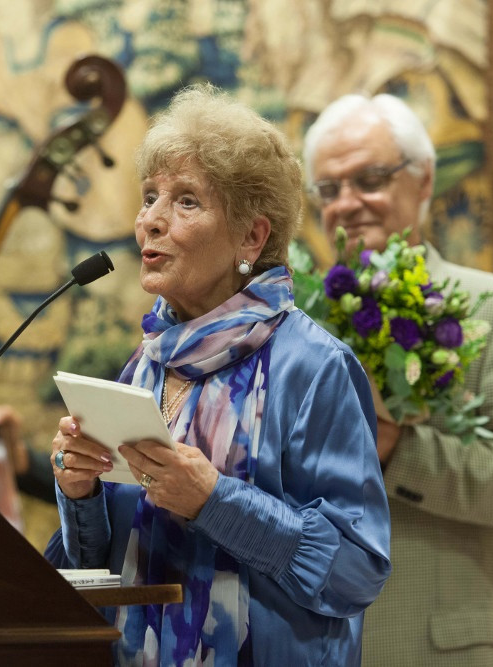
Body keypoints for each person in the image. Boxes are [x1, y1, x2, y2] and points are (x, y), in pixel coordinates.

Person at [44, 84, 392, 666]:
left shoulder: (312, 367)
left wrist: (214, 501)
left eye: (185, 202)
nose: (150, 221)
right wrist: (79, 492)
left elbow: (355, 571)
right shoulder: (146, 364)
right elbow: (101, 571)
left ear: (252, 237)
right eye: (150, 195)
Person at [302, 92, 493, 666]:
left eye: (369, 178)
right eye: (329, 188)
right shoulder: (299, 324)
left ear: (423, 182)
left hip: (434, 647)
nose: (347, 203)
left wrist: (400, 450)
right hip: (309, 645)